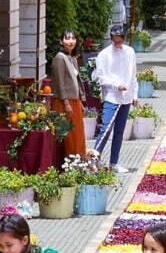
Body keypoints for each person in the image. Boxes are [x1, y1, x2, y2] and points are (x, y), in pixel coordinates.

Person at [93, 25, 138, 174]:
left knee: (119, 131)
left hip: (126, 97)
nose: (117, 44)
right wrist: (116, 85)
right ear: (111, 39)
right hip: (112, 96)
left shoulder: (130, 52)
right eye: (115, 41)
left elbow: (133, 75)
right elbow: (100, 77)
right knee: (106, 128)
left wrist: (135, 95)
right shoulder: (104, 54)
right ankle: (94, 159)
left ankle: (114, 162)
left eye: (120, 41)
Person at [50, 30, 86, 158]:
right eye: (67, 38)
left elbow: (76, 81)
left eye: (73, 38)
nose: (70, 41)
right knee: (68, 136)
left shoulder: (72, 58)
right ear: (61, 41)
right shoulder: (59, 58)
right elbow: (59, 82)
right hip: (63, 102)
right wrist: (66, 103)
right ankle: (68, 163)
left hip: (74, 101)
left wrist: (80, 101)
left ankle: (78, 161)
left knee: (78, 134)